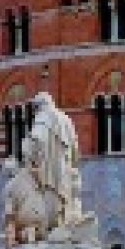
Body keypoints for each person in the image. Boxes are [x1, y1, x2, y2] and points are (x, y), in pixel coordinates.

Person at [27, 91, 81, 229]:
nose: (35, 112)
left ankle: (53, 228)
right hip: (65, 168)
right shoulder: (66, 119)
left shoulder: (43, 117)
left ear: (40, 106)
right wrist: (73, 164)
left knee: (51, 197)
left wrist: (31, 159)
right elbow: (75, 146)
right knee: (66, 197)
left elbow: (36, 140)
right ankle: (63, 223)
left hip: (48, 170)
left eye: (35, 109)